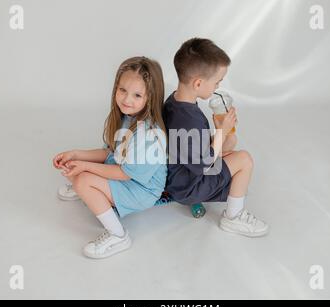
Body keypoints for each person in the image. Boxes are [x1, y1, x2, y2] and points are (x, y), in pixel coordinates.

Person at [52, 56, 167, 258]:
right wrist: (77, 155)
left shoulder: (148, 134)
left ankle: (119, 235)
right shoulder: (126, 117)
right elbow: (110, 153)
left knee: (84, 179)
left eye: (137, 95)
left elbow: (125, 174)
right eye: (122, 90)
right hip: (124, 172)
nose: (126, 99)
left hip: (141, 188)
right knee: (76, 170)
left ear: (150, 98)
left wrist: (85, 168)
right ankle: (93, 193)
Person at [163, 38, 269, 237]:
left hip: (182, 171)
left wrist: (221, 131)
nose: (217, 86)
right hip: (187, 186)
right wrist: (220, 131)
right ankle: (233, 217)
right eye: (217, 82)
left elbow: (190, 146)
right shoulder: (189, 121)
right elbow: (203, 165)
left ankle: (231, 190)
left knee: (231, 142)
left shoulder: (174, 102)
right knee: (244, 159)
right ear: (198, 83)